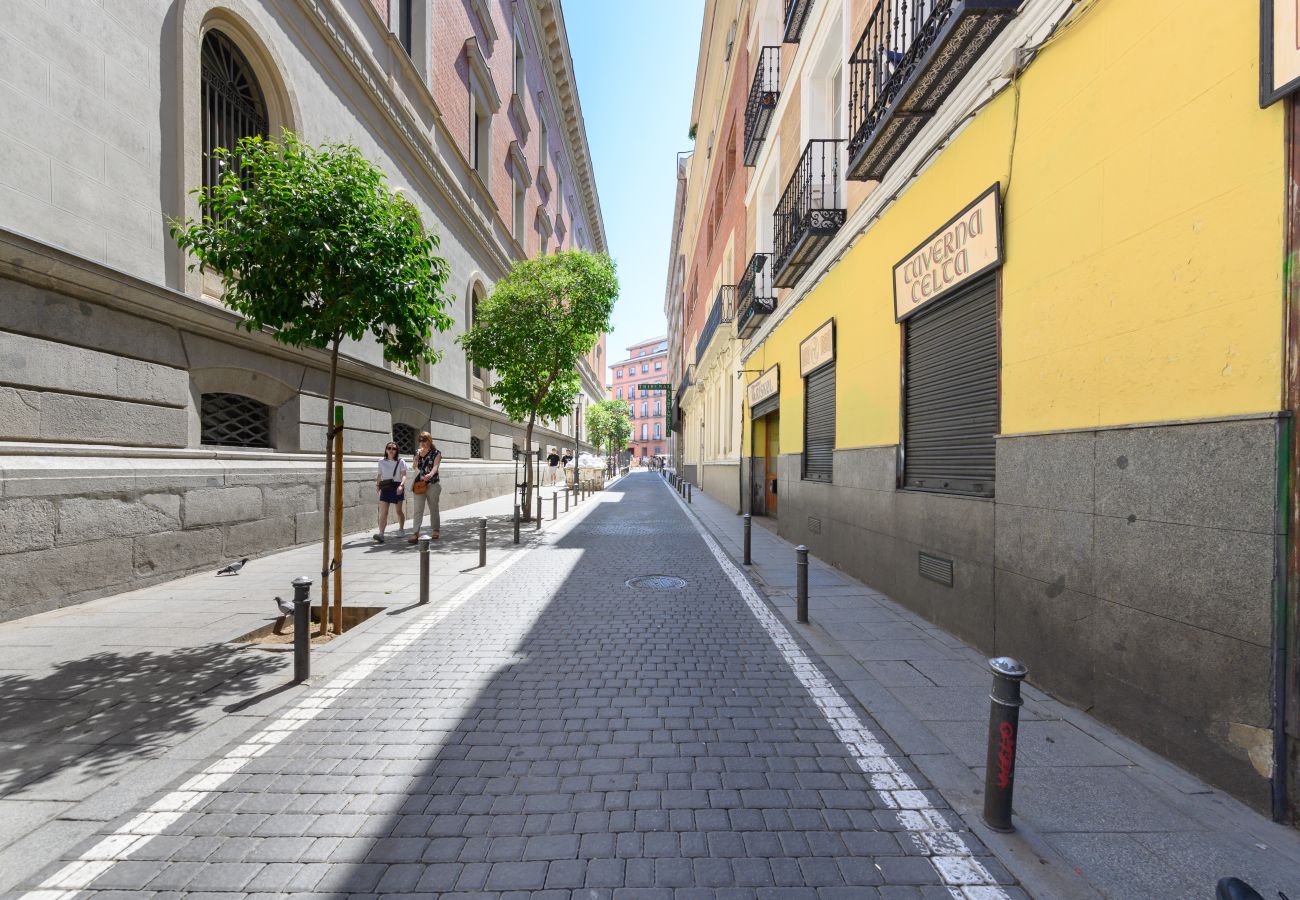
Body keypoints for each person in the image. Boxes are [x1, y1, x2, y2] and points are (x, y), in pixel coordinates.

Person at [408, 431, 442, 543]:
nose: (422, 442)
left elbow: (435, 467)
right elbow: (413, 467)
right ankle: (415, 533)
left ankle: (435, 530)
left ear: (429, 440)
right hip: (419, 485)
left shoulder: (436, 453)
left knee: (433, 508)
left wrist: (430, 474)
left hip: (432, 484)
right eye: (420, 440)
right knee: (418, 509)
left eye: (424, 440)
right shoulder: (417, 452)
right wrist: (416, 458)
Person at [373, 441, 407, 542]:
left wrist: (401, 485)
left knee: (399, 511)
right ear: (386, 449)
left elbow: (404, 475)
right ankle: (381, 534)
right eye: (389, 448)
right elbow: (379, 475)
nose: (391, 450)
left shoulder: (401, 461)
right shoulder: (381, 461)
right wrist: (378, 486)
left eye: (394, 448)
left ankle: (401, 529)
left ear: (397, 450)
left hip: (397, 485)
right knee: (383, 512)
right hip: (385, 486)